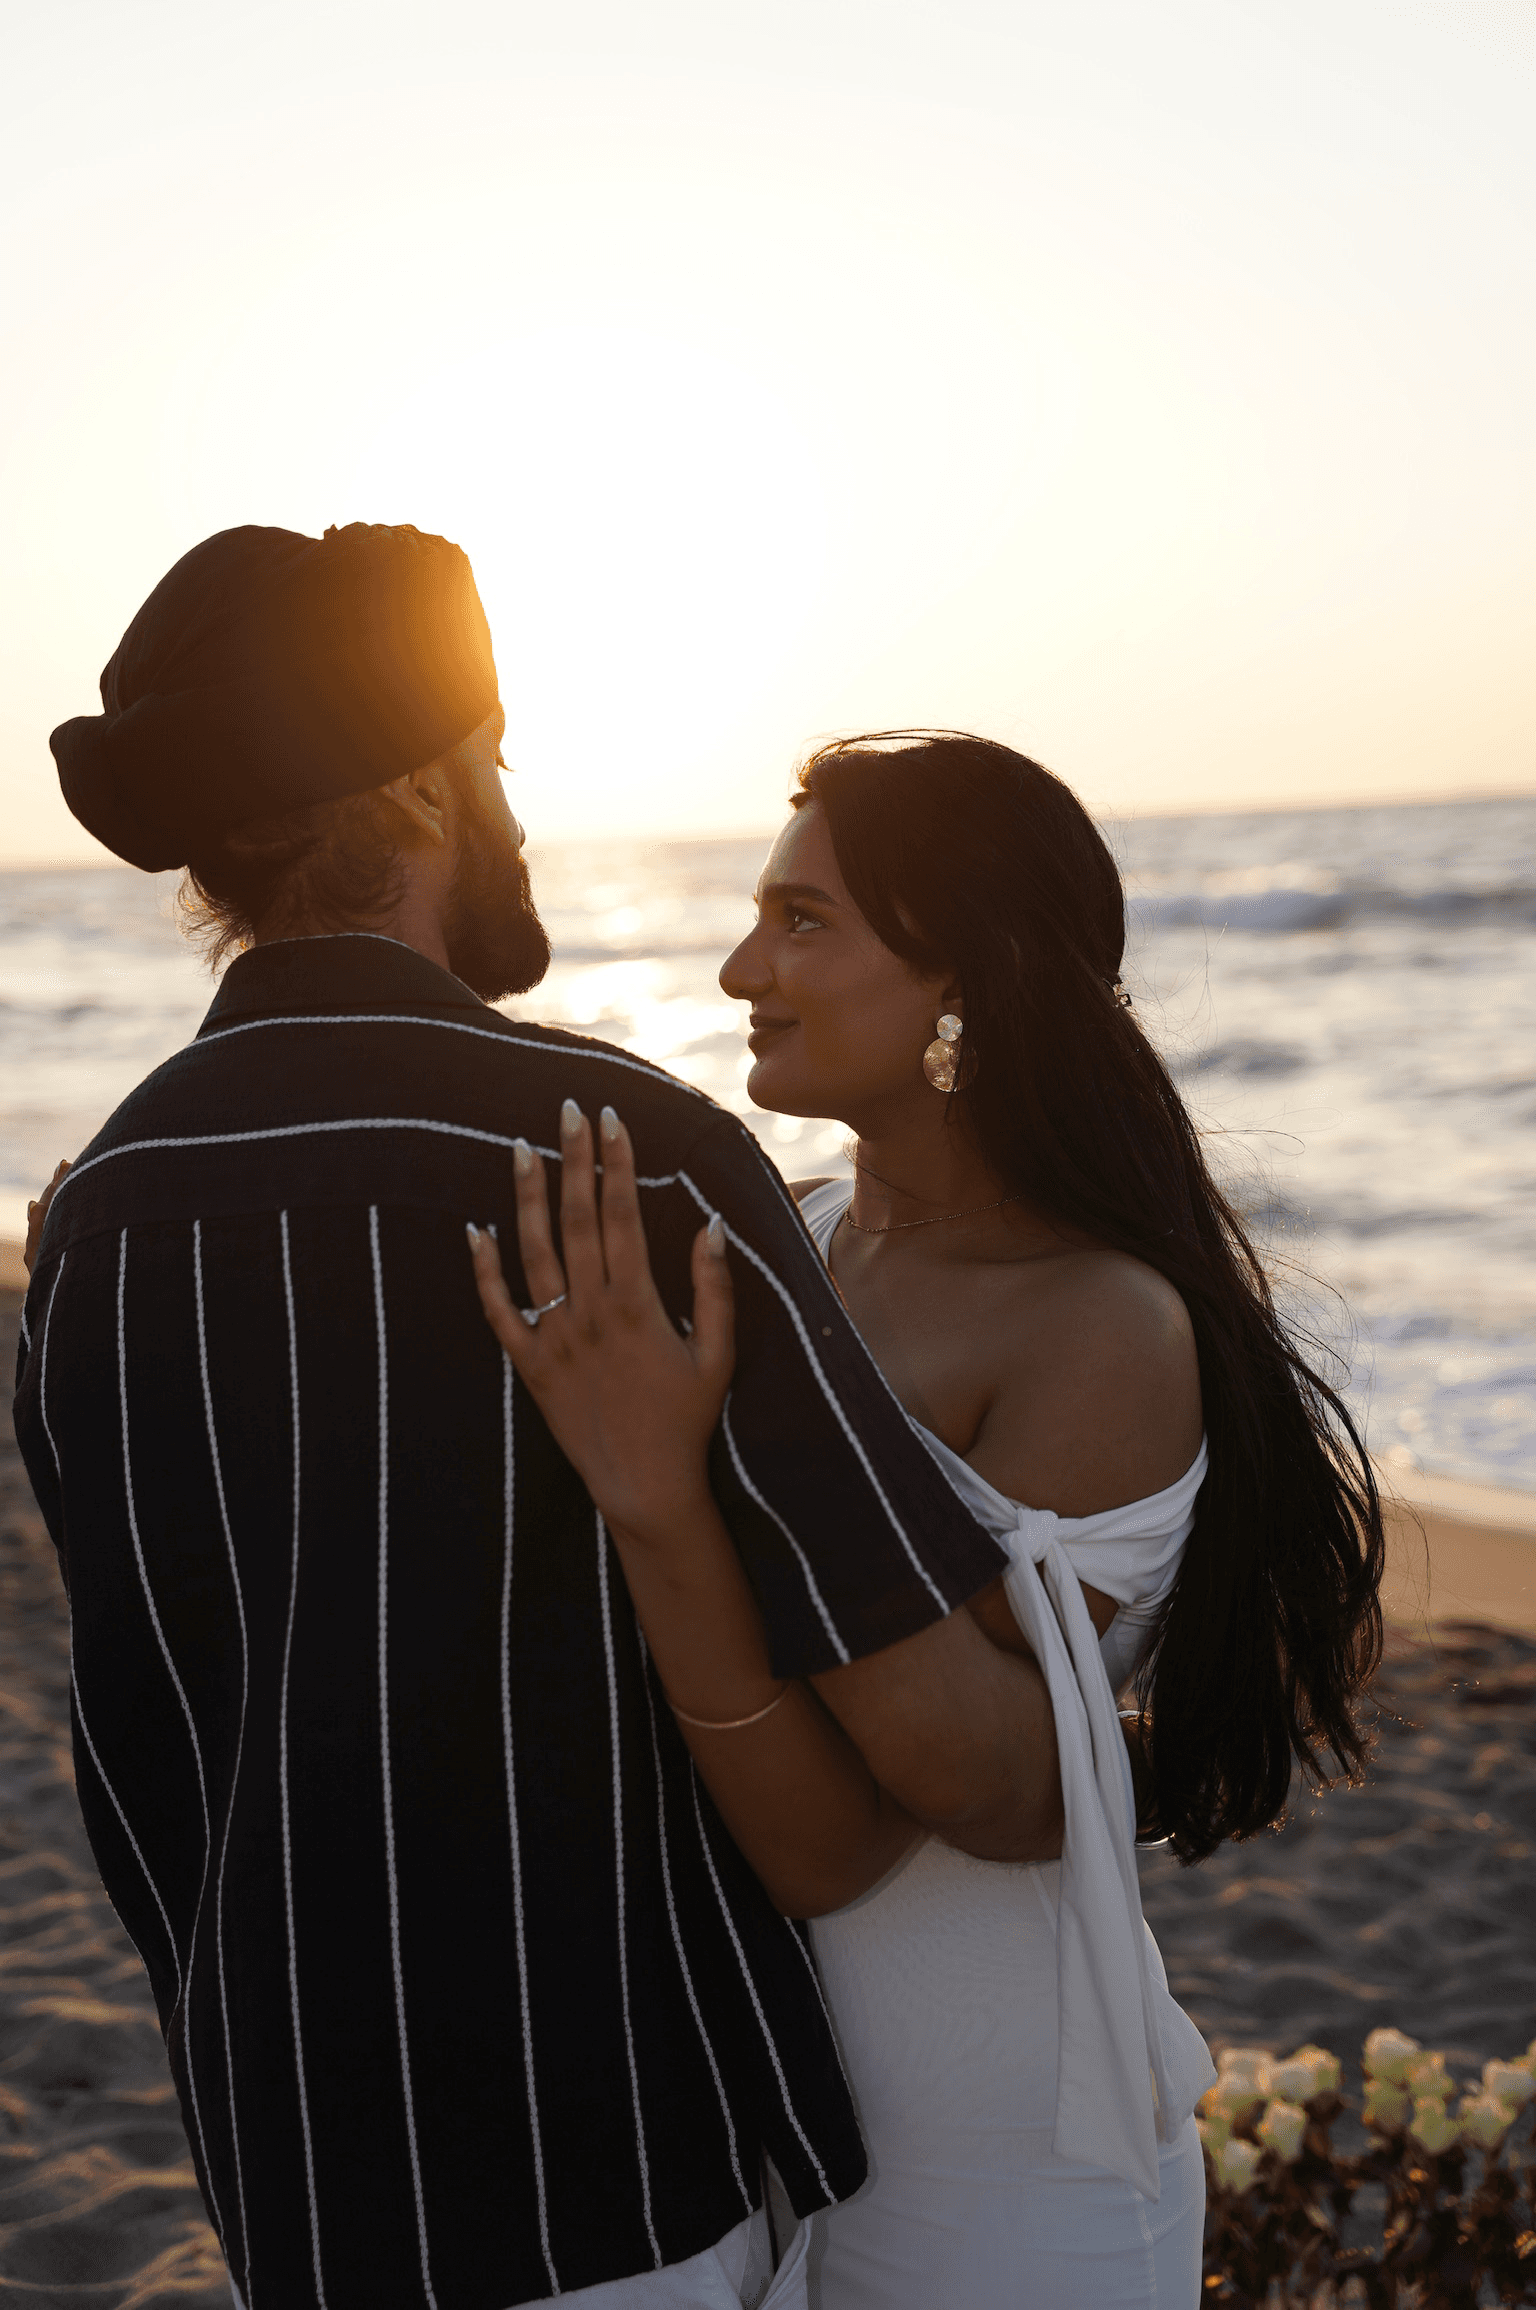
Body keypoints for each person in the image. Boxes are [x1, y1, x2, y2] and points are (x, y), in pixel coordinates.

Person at [13, 541, 1067, 2310]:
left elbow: (150, 1747)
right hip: (617, 2183)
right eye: (495, 759)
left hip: (298, 2195)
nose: (511, 809)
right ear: (424, 779)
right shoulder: (623, 1161)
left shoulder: (91, 1222)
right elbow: (966, 1767)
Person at [468, 731, 1386, 2308]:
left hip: (1003, 2169)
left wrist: (658, 1496)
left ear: (971, 978)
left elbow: (946, 1789)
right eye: (763, 913)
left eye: (806, 920)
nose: (744, 960)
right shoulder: (801, 1240)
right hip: (761, 2126)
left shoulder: (1099, 1322)